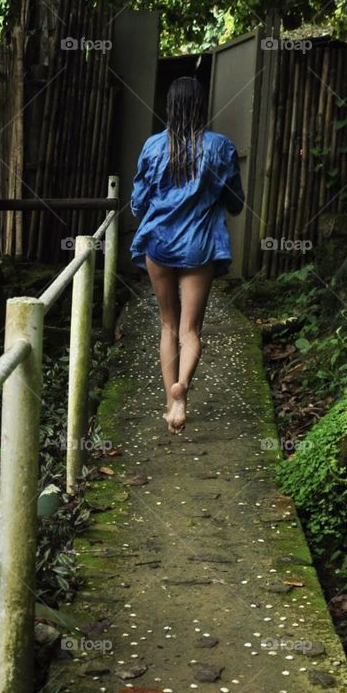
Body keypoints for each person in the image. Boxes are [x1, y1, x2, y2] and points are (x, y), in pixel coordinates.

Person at [130, 76, 244, 434]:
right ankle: (183, 392)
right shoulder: (221, 147)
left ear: (170, 107)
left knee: (166, 325)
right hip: (199, 248)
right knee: (190, 329)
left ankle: (170, 403)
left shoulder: (152, 147)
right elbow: (236, 203)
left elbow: (137, 204)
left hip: (159, 245)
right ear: (200, 106)